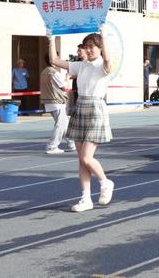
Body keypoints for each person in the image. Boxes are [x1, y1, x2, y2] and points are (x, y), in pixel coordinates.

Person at [48, 32, 115, 212]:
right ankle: (86, 198)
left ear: (100, 48)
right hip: (80, 107)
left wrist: (104, 37)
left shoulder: (103, 65)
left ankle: (105, 182)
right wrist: (51, 38)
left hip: (96, 109)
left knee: (87, 157)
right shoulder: (81, 65)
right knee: (81, 160)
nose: (89, 49)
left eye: (92, 46)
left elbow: (108, 60)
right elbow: (54, 60)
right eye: (86, 46)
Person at [41, 54, 75, 154]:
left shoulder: (44, 72)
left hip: (49, 101)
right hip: (57, 101)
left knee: (65, 124)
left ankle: (72, 143)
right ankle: (52, 146)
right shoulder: (54, 73)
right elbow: (65, 87)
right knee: (61, 125)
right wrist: (68, 78)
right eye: (57, 58)